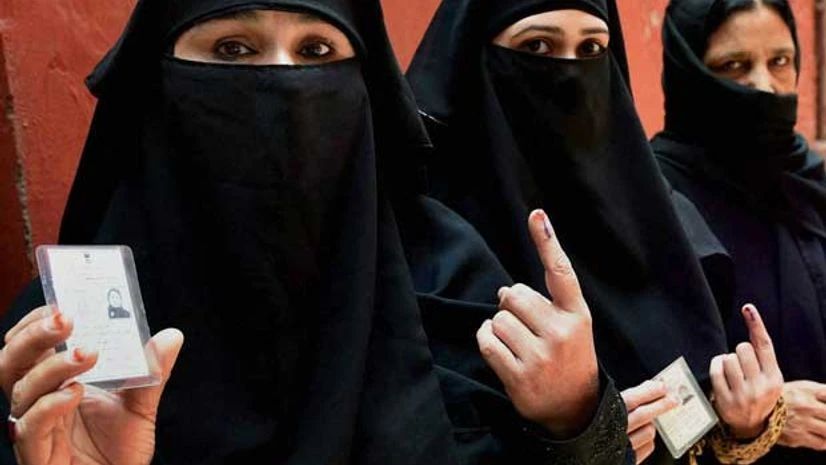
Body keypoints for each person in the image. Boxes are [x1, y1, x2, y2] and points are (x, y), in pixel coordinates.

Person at [0, 0, 631, 463]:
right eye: (232, 50)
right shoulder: (68, 341)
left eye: (317, 52)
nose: (282, 82)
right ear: (159, 81)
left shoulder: (456, 283)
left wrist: (577, 420)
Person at [406, 0, 784, 463]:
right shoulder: (426, 243)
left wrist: (748, 425)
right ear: (473, 58)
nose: (569, 74)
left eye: (591, 48)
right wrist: (580, 433)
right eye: (538, 45)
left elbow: (704, 424)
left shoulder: (661, 219)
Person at [652, 0, 826, 462]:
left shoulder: (810, 183)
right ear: (689, 72)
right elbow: (627, 389)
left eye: (780, 61)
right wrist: (757, 417)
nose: (765, 86)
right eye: (734, 66)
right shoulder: (651, 200)